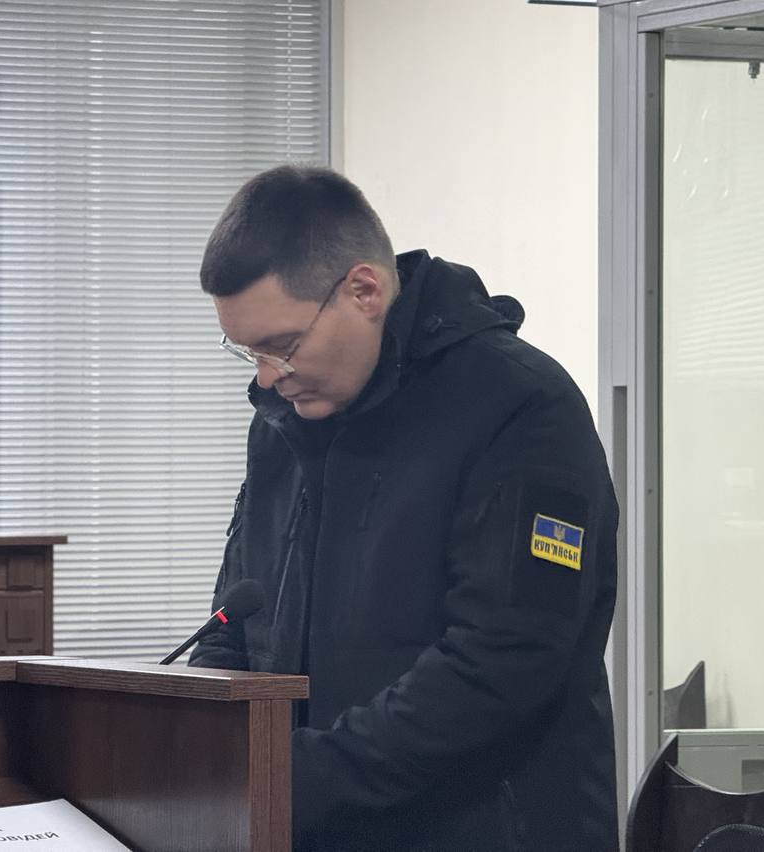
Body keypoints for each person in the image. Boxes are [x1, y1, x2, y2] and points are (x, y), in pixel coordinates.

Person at [188, 165, 619, 851]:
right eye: (248, 353)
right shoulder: (282, 422)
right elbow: (235, 622)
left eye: (282, 347)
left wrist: (290, 782)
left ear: (363, 291)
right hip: (313, 825)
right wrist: (195, 757)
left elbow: (500, 664)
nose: (268, 376)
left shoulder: (520, 406)